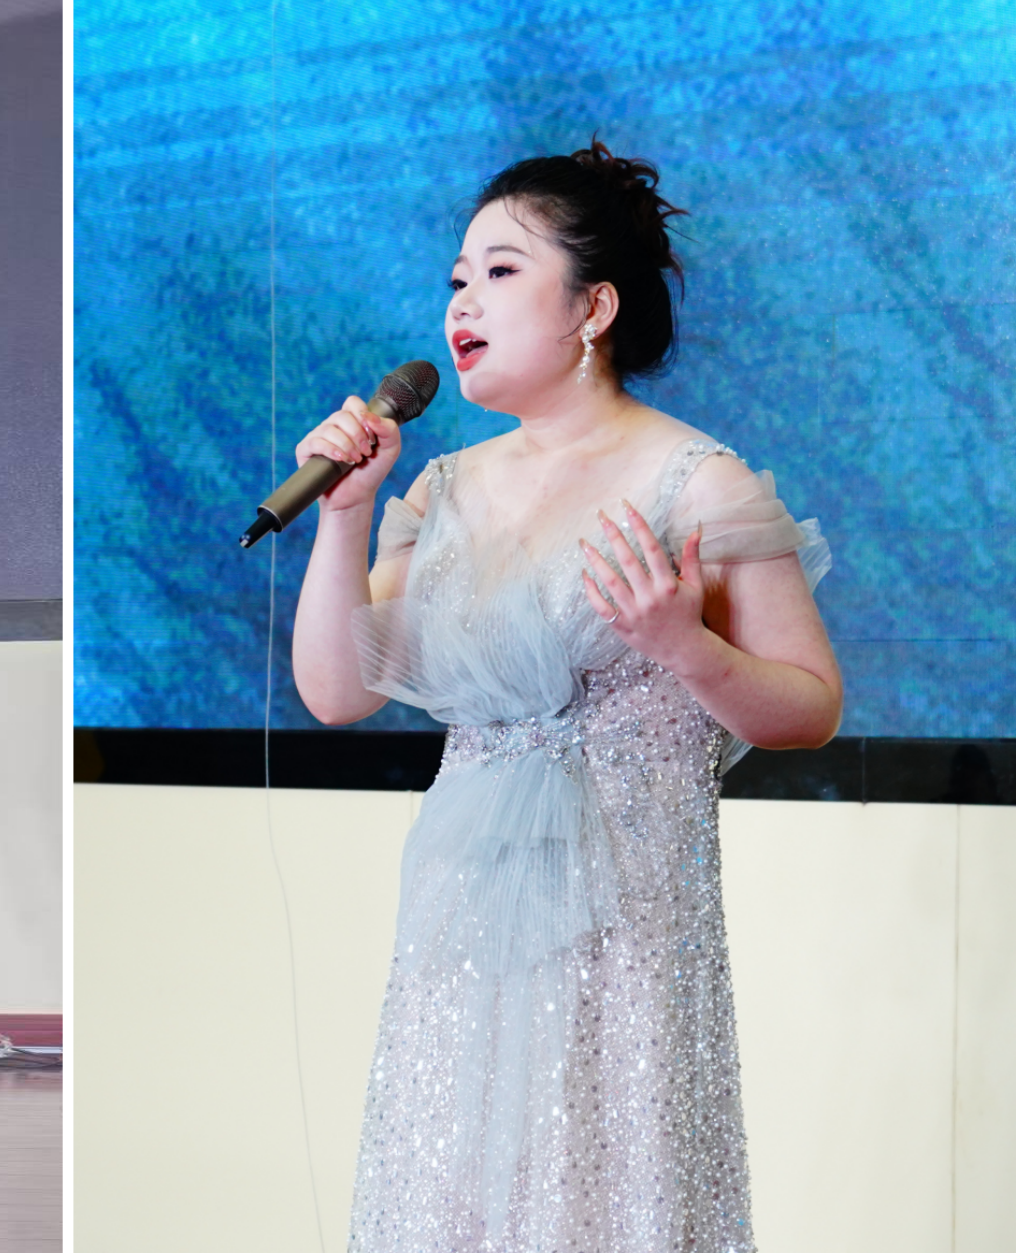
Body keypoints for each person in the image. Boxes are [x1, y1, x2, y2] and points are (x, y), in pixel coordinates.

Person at [289, 143, 838, 1252]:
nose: (461, 302)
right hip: (464, 939)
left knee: (608, 1200)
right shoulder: (440, 490)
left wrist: (686, 648)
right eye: (456, 278)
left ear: (593, 308)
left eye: (499, 271)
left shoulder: (698, 482)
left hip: (628, 942)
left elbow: (810, 707)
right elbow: (337, 692)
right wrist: (343, 517)